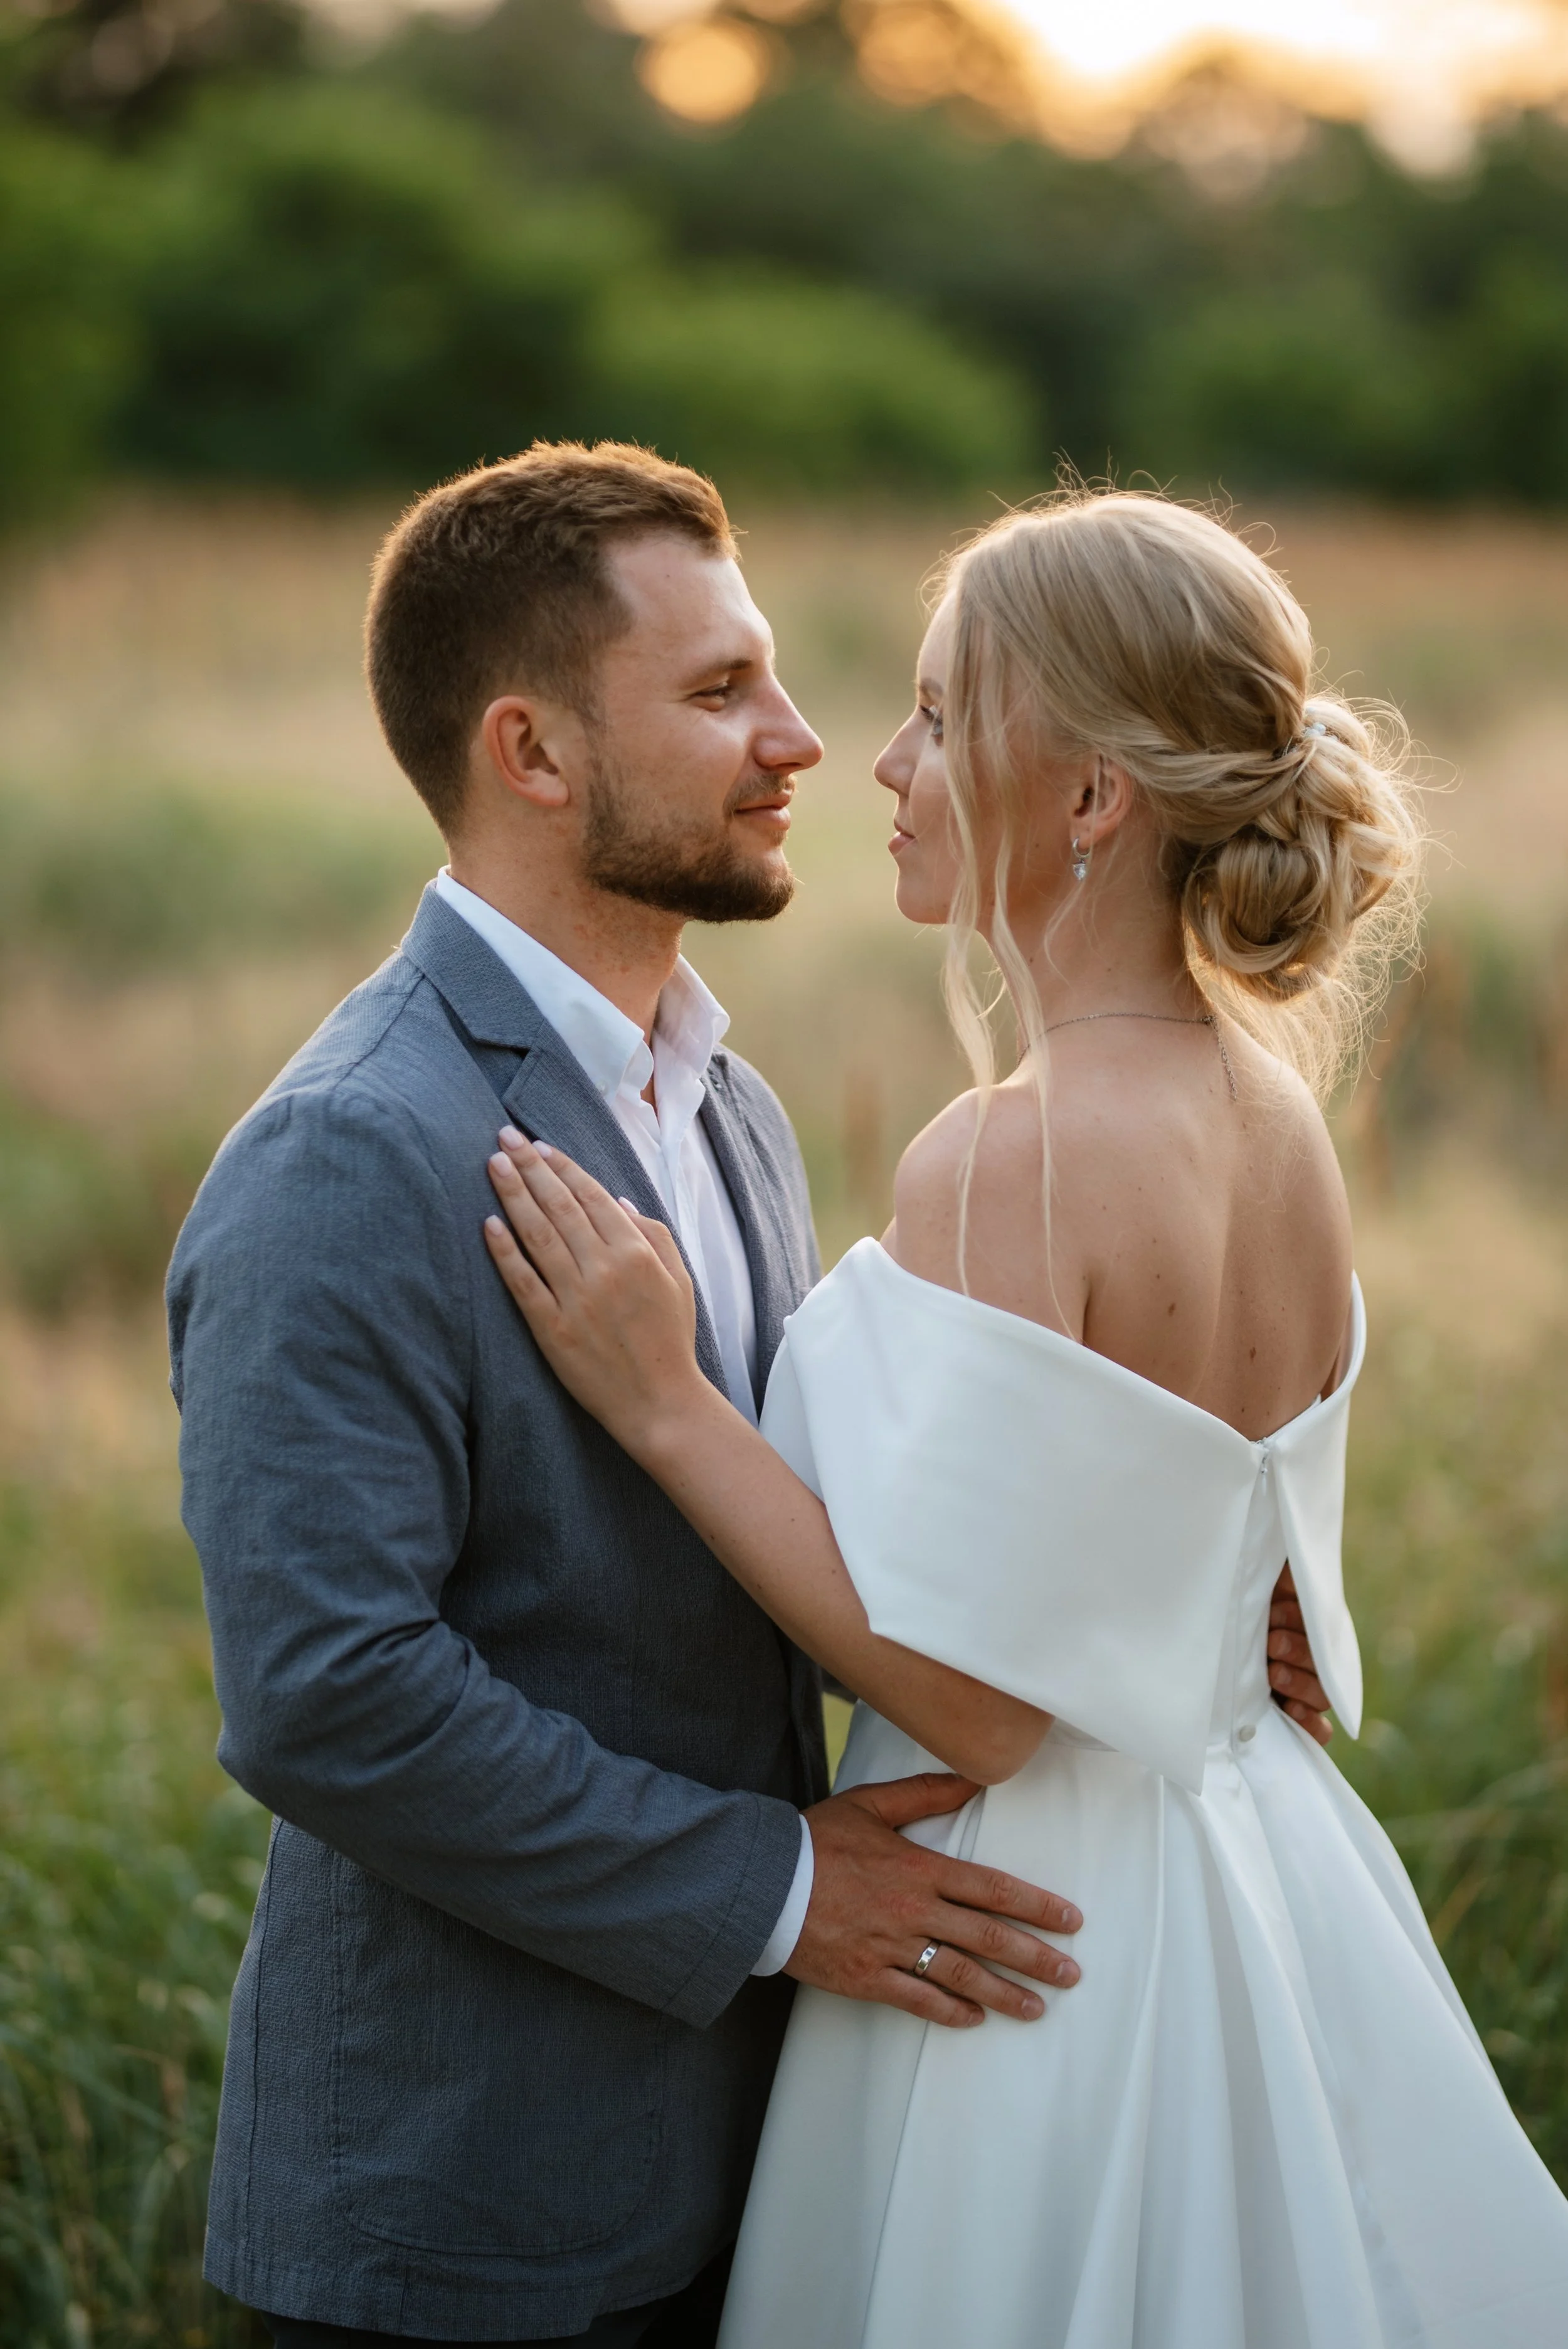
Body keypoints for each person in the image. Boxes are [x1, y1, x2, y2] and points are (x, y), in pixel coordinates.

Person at [479, 487, 1568, 2347]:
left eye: (934, 715)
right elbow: (1234, 1560)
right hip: (1251, 1866)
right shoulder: (1276, 1121)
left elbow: (984, 1707)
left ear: (1090, 799)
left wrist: (667, 1407)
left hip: (1026, 1928)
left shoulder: (1011, 1155)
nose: (883, 763)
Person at [167, 443, 1121, 2349]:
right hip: (461, 2214)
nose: (799, 740)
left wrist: (1150, 1610)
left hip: (741, 2168)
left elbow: (807, 1530)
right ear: (530, 753)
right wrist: (781, 1893)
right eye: (717, 692)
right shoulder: (351, 1150)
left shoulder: (728, 1105)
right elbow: (326, 1693)